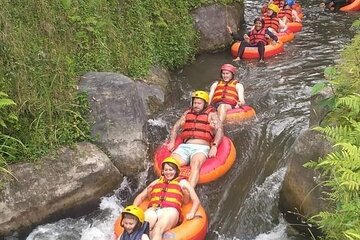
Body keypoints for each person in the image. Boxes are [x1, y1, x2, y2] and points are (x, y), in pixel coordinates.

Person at [133, 157, 200, 240]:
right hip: (154, 209)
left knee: (158, 230)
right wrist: (134, 209)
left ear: (176, 171)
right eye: (166, 170)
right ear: (163, 171)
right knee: (141, 229)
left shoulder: (183, 182)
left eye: (171, 170)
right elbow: (141, 196)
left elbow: (196, 200)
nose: (168, 172)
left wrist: (192, 212)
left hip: (170, 211)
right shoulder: (157, 181)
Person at [165, 90, 223, 187]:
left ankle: (189, 191)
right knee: (170, 164)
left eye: (199, 103)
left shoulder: (212, 114)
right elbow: (176, 127)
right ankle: (166, 190)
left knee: (195, 164)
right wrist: (172, 142)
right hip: (185, 147)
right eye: (195, 103)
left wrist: (214, 146)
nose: (196, 105)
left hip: (201, 148)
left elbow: (220, 129)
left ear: (205, 104)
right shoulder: (187, 113)